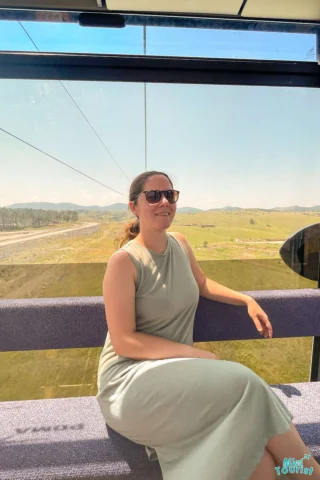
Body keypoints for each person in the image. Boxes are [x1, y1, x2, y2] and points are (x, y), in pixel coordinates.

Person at [97, 170, 320, 480]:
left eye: (170, 195)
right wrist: (195, 355)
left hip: (177, 380)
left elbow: (201, 283)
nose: (164, 201)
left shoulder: (181, 244)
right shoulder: (124, 262)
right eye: (153, 196)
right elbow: (124, 342)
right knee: (246, 384)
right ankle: (311, 472)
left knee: (262, 464)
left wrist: (245, 300)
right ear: (134, 206)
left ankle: (296, 471)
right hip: (130, 383)